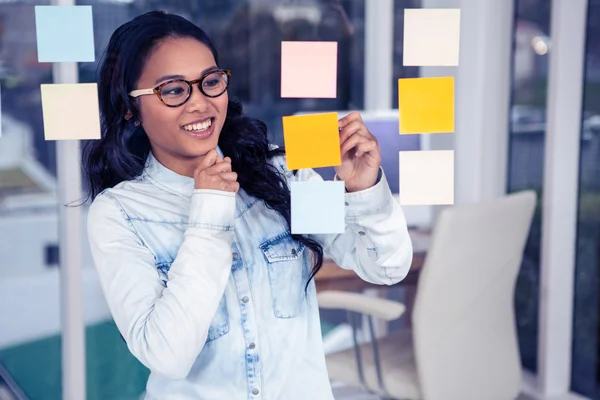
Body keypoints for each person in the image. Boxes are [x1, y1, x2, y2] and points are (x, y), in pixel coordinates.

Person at [84, 10, 413, 400]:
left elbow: (386, 267)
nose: (200, 103)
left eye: (210, 82)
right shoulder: (118, 213)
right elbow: (168, 356)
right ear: (130, 108)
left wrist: (363, 189)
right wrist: (209, 212)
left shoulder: (279, 174)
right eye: (173, 90)